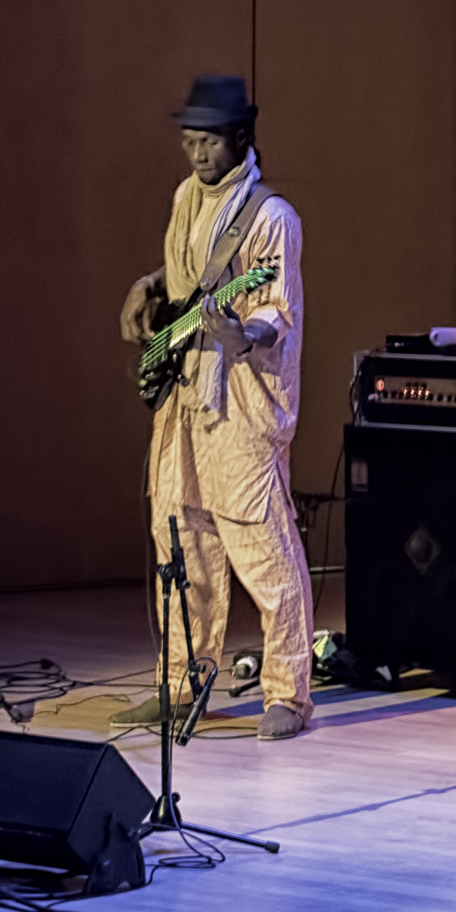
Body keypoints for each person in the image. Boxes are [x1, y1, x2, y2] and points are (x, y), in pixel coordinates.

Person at [115, 76, 315, 742]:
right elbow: (185, 279)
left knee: (262, 549)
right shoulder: (183, 199)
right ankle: (181, 684)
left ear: (241, 138)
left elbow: (273, 309)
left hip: (240, 407)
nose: (196, 153)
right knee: (182, 542)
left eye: (208, 140)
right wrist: (147, 288)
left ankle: (288, 691)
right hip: (184, 402)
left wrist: (244, 333)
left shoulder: (271, 218)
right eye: (189, 140)